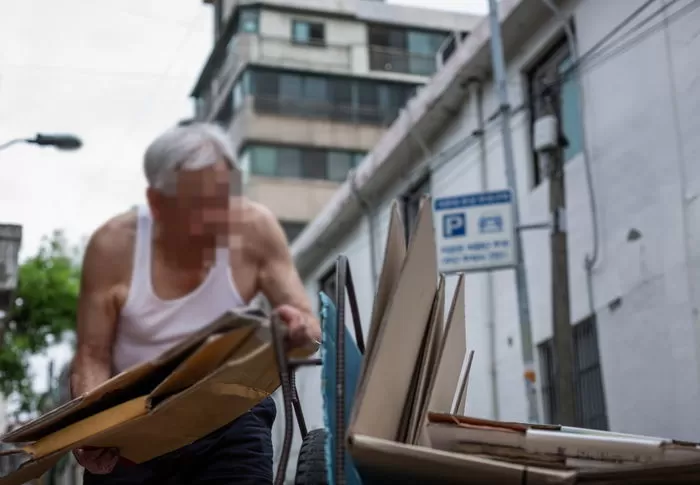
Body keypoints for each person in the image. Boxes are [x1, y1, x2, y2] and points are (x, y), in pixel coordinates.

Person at [69, 122, 321, 484]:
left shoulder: (255, 229)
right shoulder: (113, 246)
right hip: (135, 422)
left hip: (230, 412)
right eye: (200, 208)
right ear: (157, 203)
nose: (219, 221)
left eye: (225, 201)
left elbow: (308, 324)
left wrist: (295, 328)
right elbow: (92, 353)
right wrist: (91, 427)